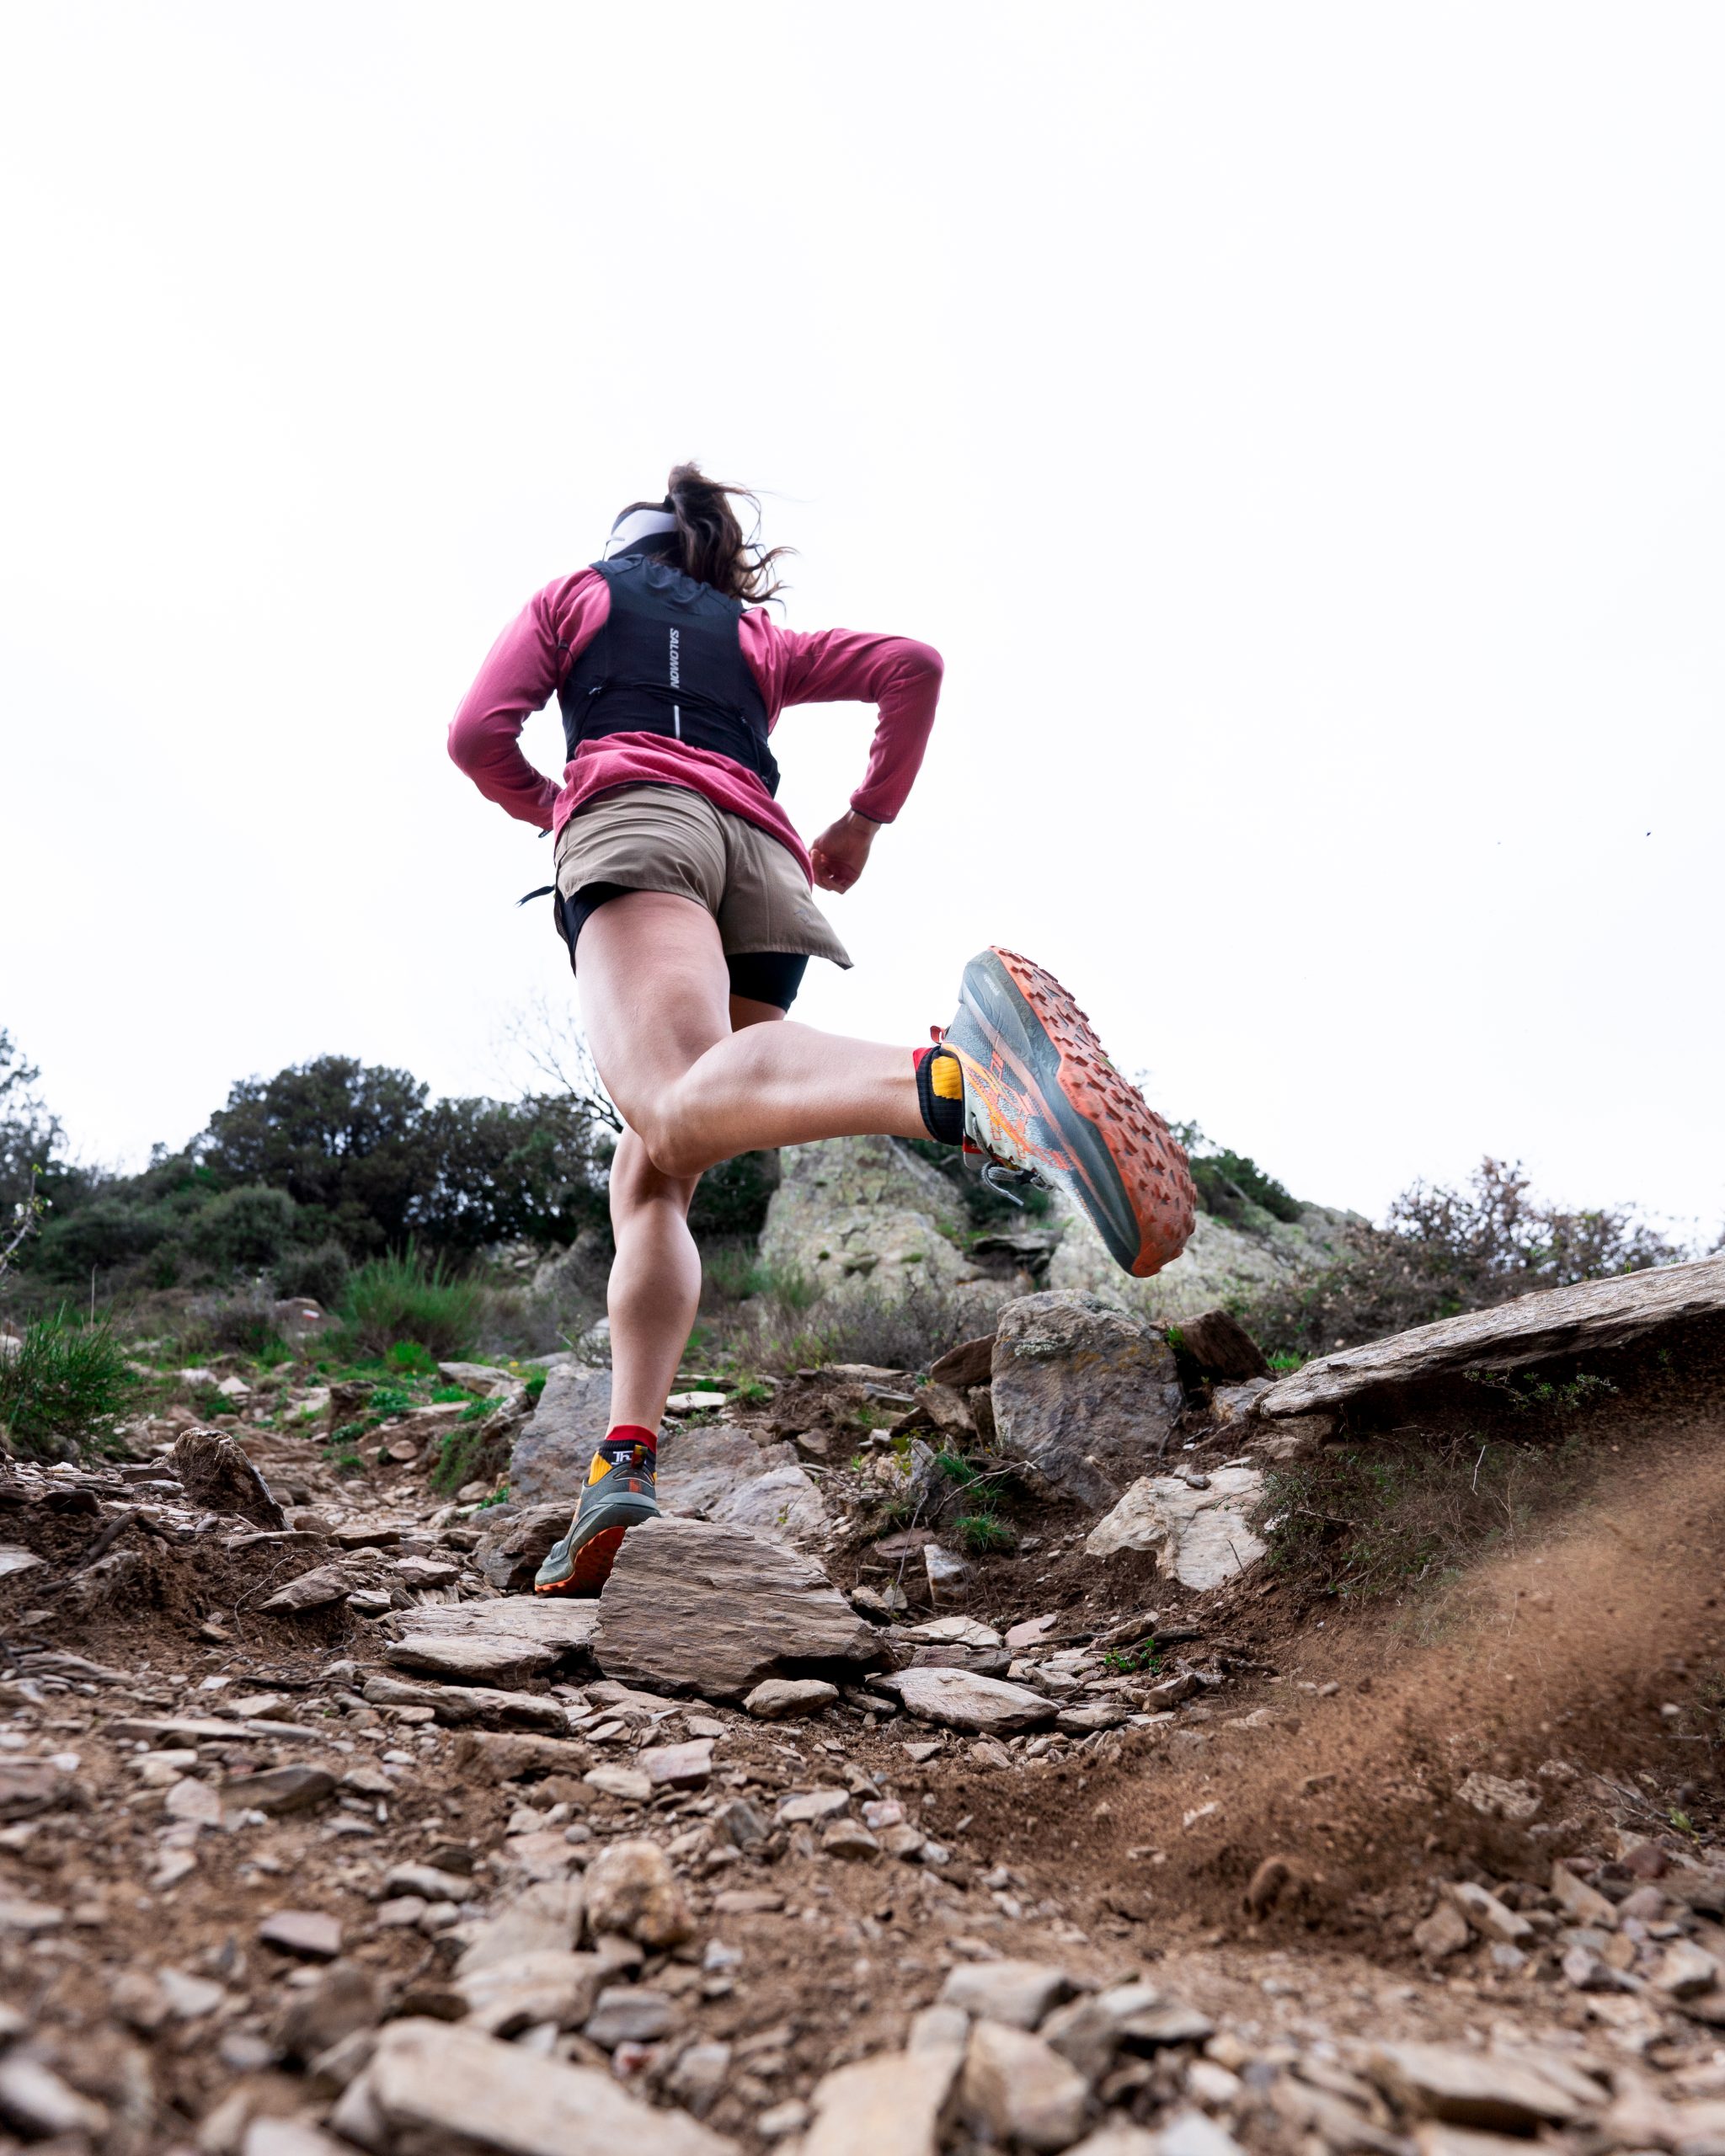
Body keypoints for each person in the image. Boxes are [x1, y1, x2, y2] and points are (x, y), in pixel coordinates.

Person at [449, 463, 1196, 1594]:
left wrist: (556, 805)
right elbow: (911, 666)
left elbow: (476, 734)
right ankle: (622, 1460)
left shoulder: (576, 596)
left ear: (628, 544)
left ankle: (959, 1082)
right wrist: (864, 819)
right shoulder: (757, 638)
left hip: (639, 822)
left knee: (673, 1102)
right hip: (765, 861)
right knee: (654, 1169)